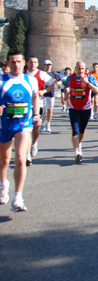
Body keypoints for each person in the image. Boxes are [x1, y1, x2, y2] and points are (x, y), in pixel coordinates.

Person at [0, 49, 41, 212]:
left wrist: (36, 114)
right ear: (8, 64)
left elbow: (36, 96)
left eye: (19, 61)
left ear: (24, 63)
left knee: (19, 158)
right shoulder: (2, 81)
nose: (16, 64)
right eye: (13, 62)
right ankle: (3, 185)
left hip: (24, 124)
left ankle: (18, 197)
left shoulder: (30, 81)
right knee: (4, 160)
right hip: (5, 124)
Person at [64, 61, 98, 164]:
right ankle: (77, 152)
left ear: (85, 69)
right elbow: (66, 87)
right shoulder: (70, 78)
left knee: (82, 130)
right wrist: (66, 94)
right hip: (73, 108)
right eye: (79, 68)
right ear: (75, 68)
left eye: (82, 69)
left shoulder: (90, 77)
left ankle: (78, 144)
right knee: (75, 130)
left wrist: (87, 83)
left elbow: (97, 91)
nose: (80, 71)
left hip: (86, 108)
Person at [24, 56, 54, 165]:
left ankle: (34, 143)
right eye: (31, 62)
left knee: (35, 128)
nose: (32, 64)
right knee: (27, 129)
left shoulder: (42, 74)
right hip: (25, 106)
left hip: (39, 105)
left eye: (35, 62)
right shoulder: (23, 74)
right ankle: (27, 155)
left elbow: (52, 85)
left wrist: (44, 91)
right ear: (27, 63)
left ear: (37, 64)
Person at [40, 59, 62, 133]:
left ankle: (48, 124)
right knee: (43, 110)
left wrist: (56, 82)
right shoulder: (41, 73)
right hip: (43, 94)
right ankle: (42, 124)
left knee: (50, 110)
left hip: (51, 94)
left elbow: (60, 82)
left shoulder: (54, 74)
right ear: (44, 66)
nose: (48, 66)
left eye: (49, 65)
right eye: (47, 65)